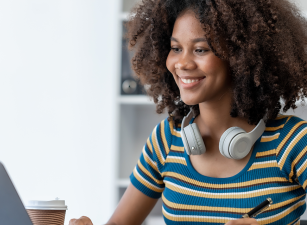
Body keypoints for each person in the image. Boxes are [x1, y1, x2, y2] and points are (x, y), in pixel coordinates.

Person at [70, 0, 307, 224]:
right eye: (175, 48)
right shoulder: (166, 139)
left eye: (200, 50)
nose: (182, 63)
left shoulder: (294, 142)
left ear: (240, 56)